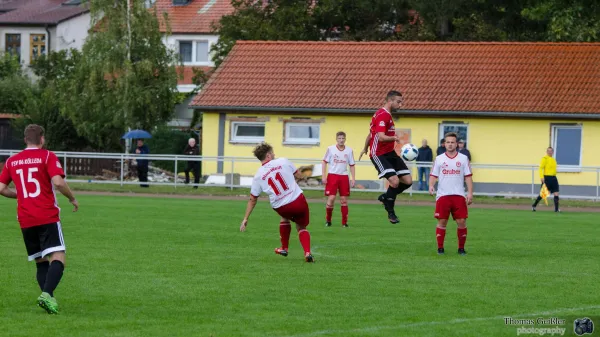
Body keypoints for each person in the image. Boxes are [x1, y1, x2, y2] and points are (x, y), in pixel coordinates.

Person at [0, 124, 79, 314]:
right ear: (41, 139)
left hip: (25, 217)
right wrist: (72, 197)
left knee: (41, 261)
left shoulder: (12, 161)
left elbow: (1, 188)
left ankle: (48, 299)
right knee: (58, 256)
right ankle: (46, 294)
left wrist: (19, 196)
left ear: (25, 140)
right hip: (46, 214)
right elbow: (58, 182)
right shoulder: (47, 156)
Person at [240, 142, 314, 263]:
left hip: (281, 206)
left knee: (284, 218)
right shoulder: (283, 161)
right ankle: (307, 252)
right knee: (301, 226)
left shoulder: (258, 175)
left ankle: (284, 248)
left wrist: (245, 218)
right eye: (272, 152)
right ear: (268, 155)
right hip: (297, 200)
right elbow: (299, 175)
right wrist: (297, 175)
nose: (274, 154)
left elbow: (253, 199)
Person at [358, 90, 412, 224]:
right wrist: (393, 137)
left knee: (408, 181)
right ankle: (391, 212)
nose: (400, 105)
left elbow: (371, 134)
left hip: (390, 153)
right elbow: (381, 137)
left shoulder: (385, 115)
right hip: (379, 154)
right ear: (390, 101)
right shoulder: (383, 115)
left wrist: (364, 147)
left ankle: (386, 197)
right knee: (394, 182)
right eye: (398, 102)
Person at [429, 132, 473, 255]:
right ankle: (440, 248)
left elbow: (468, 177)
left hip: (458, 195)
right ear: (444, 144)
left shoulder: (463, 159)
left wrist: (470, 193)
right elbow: (433, 175)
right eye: (447, 142)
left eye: (452, 142)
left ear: (457, 144)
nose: (450, 144)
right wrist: (431, 185)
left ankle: (461, 248)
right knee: (442, 222)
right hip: (443, 195)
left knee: (461, 221)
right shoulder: (439, 159)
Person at [322, 131, 356, 228]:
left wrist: (353, 178)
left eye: (343, 138)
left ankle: (344, 223)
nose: (341, 140)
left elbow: (352, 165)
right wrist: (324, 176)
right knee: (331, 198)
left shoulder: (349, 150)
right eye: (339, 138)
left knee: (343, 200)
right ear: (336, 139)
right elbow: (324, 162)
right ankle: (328, 220)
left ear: (345, 139)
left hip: (344, 176)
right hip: (332, 175)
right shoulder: (330, 149)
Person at [532, 147, 560, 212]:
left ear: (553, 152)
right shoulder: (544, 159)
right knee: (543, 194)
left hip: (554, 178)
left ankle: (556, 209)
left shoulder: (553, 160)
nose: (550, 152)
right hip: (547, 178)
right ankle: (534, 205)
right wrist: (541, 177)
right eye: (548, 151)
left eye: (551, 151)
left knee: (556, 193)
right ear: (547, 152)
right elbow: (541, 168)